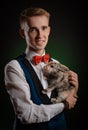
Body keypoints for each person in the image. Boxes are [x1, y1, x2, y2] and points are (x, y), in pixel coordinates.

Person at [4, 7, 79, 130]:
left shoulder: (56, 63)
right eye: (33, 29)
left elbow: (71, 100)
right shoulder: (13, 67)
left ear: (49, 30)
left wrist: (74, 88)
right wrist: (63, 105)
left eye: (44, 28)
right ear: (23, 33)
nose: (40, 35)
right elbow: (26, 114)